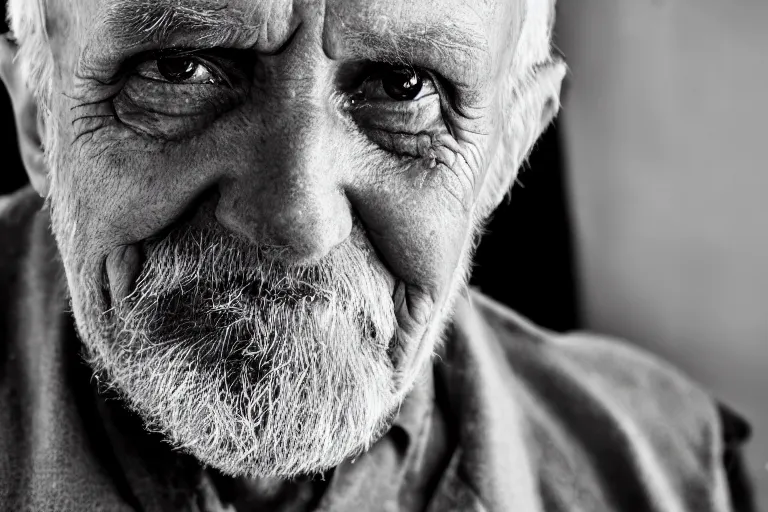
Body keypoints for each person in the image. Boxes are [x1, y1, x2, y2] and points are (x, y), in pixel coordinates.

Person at [0, 0, 752, 510]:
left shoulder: (666, 475)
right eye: (179, 70)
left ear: (508, 149)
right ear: (38, 118)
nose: (297, 222)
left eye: (404, 86)